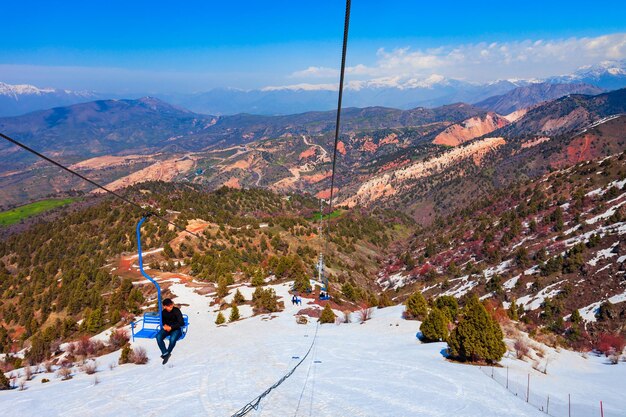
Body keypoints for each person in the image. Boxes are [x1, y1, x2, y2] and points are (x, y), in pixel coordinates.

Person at [156, 298, 185, 364]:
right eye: (169, 306)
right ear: (165, 306)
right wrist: (164, 326)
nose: (171, 307)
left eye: (171, 305)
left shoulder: (176, 311)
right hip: (167, 329)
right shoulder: (163, 312)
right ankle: (165, 353)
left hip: (176, 329)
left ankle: (168, 353)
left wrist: (171, 327)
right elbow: (163, 321)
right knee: (158, 337)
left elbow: (181, 323)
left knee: (172, 339)